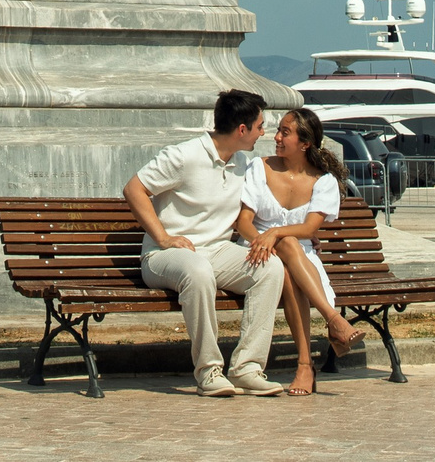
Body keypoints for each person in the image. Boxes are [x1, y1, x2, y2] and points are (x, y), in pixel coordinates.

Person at [125, 88, 285, 397]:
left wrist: (292, 234)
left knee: (270, 268)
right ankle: (209, 371)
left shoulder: (244, 164)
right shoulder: (183, 155)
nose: (263, 133)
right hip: (164, 257)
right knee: (198, 270)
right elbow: (134, 189)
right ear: (242, 129)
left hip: (217, 252)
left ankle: (247, 369)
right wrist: (163, 237)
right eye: (260, 126)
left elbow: (263, 209)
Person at [241, 107, 359, 395]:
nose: (276, 137)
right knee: (285, 257)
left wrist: (277, 233)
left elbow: (308, 230)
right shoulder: (260, 167)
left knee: (290, 256)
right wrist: (263, 239)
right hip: (256, 250)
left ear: (305, 143)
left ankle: (306, 365)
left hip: (300, 257)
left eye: (285, 132)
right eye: (279, 130)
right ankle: (333, 321)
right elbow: (243, 221)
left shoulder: (324, 181)